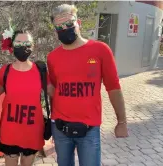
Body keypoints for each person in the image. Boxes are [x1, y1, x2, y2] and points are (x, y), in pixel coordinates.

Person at [47, 4, 129, 166]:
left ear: (79, 23)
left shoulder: (100, 50)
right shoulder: (52, 57)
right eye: (59, 26)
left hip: (89, 130)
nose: (65, 28)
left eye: (69, 24)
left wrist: (122, 122)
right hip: (60, 129)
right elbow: (55, 91)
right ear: (55, 30)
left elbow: (113, 87)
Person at [0, 30, 53, 166]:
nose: (23, 46)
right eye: (19, 43)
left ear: (33, 46)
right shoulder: (5, 71)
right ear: (12, 45)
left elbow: (56, 95)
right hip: (9, 132)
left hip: (32, 133)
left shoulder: (40, 71)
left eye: (27, 43)